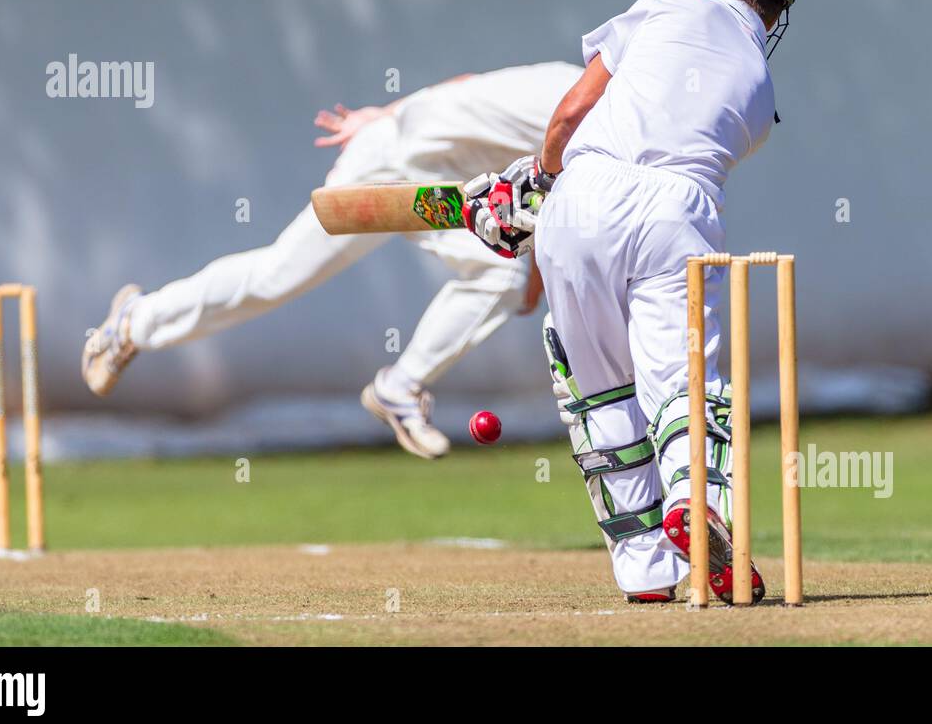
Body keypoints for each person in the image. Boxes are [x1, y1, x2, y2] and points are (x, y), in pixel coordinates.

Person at [465, 0, 796, 602]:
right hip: (681, 212)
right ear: (772, 13)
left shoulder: (664, 5)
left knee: (596, 389)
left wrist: (536, 186)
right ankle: (696, 501)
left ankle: (644, 567)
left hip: (584, 195)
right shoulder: (761, 95)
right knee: (681, 382)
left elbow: (569, 114)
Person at [82, 62, 582, 458]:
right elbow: (548, 179)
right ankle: (135, 321)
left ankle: (399, 389)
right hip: (389, 161)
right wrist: (387, 118)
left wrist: (388, 112)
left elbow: (473, 95)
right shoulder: (585, 106)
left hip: (438, 183)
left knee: (497, 276)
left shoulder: (574, 82)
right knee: (276, 275)